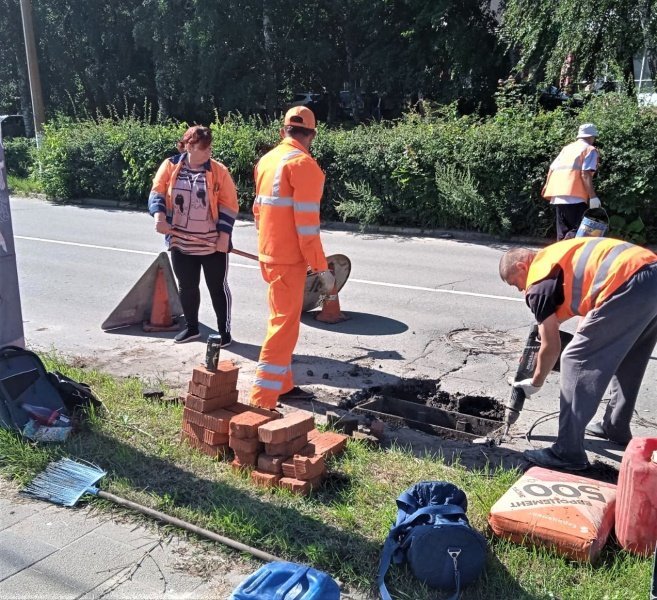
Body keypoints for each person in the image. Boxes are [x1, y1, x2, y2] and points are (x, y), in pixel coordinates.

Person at [499, 237, 657, 470]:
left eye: (516, 284)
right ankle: (615, 427)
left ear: (522, 267)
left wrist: (535, 382)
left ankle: (567, 452)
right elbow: (584, 302)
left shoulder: (537, 284)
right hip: (649, 274)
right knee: (630, 358)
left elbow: (551, 347)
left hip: (627, 282)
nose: (521, 290)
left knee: (574, 359)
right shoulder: (552, 259)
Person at [249, 106, 335, 410]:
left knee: (279, 319)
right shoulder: (304, 165)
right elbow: (307, 227)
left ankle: (283, 386)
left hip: (269, 254)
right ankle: (262, 400)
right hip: (288, 260)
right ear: (311, 134)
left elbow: (258, 211)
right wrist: (322, 268)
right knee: (284, 327)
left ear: (283, 131)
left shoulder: (267, 160)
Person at [148, 125, 239, 345]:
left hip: (212, 244)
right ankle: (192, 328)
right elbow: (157, 192)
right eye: (204, 148)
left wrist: (224, 237)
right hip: (180, 241)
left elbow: (229, 205)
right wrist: (159, 217)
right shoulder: (170, 166)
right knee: (187, 286)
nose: (209, 152)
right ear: (189, 146)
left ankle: (224, 334)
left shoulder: (218, 171)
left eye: (210, 148)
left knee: (217, 288)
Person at [542, 123, 601, 241]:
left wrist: (547, 188)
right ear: (591, 137)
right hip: (575, 196)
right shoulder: (590, 149)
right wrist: (593, 197)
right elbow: (585, 173)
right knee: (580, 232)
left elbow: (552, 168)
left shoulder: (567, 149)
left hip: (558, 194)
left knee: (563, 232)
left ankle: (561, 256)